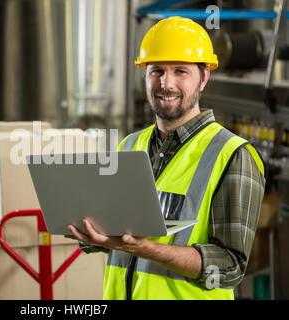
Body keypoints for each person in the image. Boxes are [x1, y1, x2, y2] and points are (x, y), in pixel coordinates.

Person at [66, 16, 266, 300]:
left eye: (180, 71)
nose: (166, 83)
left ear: (204, 77)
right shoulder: (130, 145)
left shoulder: (232, 155)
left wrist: (147, 249)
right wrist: (90, 234)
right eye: (156, 70)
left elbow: (230, 267)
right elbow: (116, 233)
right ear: (145, 76)